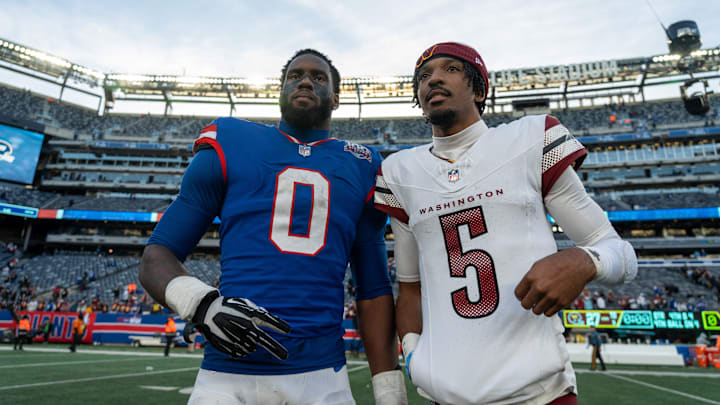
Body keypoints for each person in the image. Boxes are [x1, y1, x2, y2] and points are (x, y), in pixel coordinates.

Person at [375, 42, 638, 404]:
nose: (433, 79)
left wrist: (584, 260)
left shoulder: (530, 138)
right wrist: (414, 354)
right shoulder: (399, 172)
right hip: (445, 394)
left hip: (538, 393)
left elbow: (620, 252)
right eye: (423, 75)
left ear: (479, 88)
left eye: (450, 69)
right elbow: (410, 288)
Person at [139, 49, 406, 405]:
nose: (306, 80)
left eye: (319, 77)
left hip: (323, 376)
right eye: (294, 76)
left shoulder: (364, 164)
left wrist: (390, 391)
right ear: (280, 92)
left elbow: (372, 290)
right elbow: (157, 254)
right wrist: (201, 304)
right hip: (226, 375)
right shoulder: (231, 140)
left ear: (337, 98)